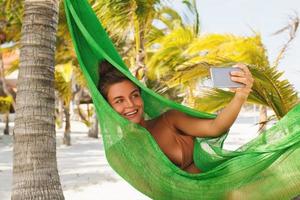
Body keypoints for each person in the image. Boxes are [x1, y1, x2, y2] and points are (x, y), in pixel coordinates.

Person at [98, 61, 254, 174]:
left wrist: (241, 95)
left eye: (134, 95)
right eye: (119, 100)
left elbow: (215, 128)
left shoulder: (169, 120)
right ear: (108, 107)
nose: (131, 104)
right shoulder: (120, 153)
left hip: (224, 188)